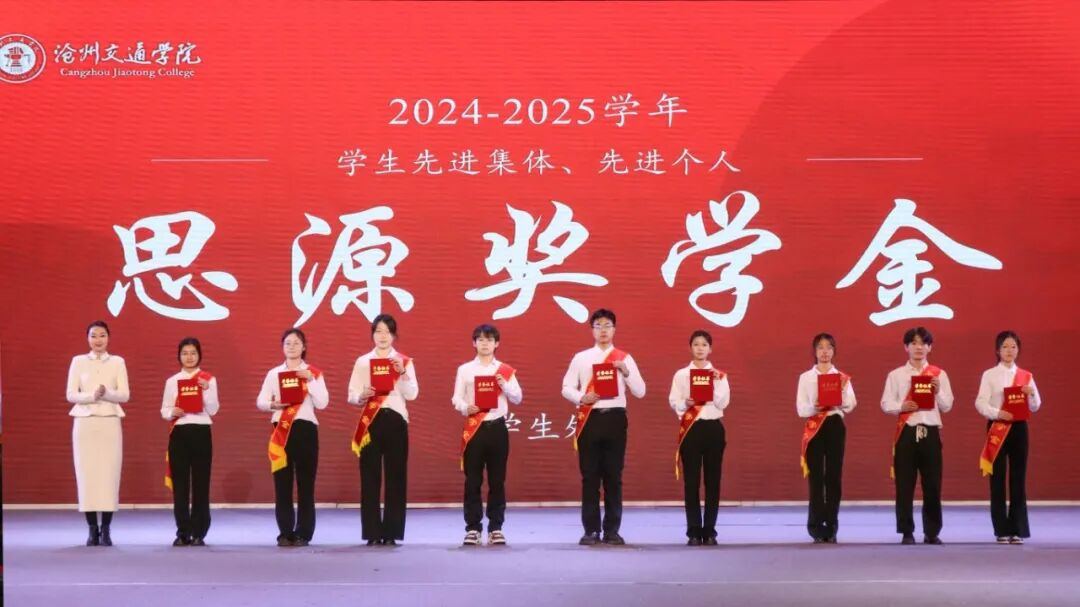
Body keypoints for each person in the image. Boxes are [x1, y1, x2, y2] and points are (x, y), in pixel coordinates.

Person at [66, 320, 129, 547]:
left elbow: (125, 395)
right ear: (87, 338)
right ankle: (92, 529)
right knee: (88, 476)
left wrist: (107, 393)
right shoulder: (78, 361)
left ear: (108, 337)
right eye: (93, 335)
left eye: (102, 335)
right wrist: (92, 396)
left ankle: (106, 529)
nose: (98, 340)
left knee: (109, 476)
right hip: (84, 423)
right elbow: (71, 394)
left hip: (110, 422)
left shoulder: (118, 362)